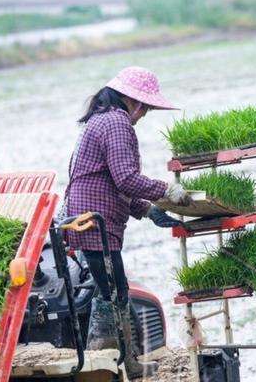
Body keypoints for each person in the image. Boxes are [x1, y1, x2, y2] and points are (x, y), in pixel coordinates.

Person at [64, 66, 191, 378]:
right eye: (145, 106)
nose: (145, 113)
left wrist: (147, 210)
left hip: (89, 217)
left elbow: (111, 182)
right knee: (114, 293)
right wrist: (167, 190)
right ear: (131, 100)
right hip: (94, 223)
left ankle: (126, 362)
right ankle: (100, 359)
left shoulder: (101, 119)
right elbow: (126, 178)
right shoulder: (117, 123)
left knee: (116, 291)